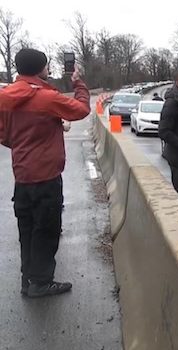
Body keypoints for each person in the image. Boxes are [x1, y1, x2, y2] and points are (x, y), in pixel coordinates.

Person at [0, 48, 91, 298]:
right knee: (47, 229)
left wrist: (26, 141)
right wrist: (78, 83)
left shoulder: (5, 96)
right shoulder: (46, 97)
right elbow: (81, 109)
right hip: (46, 176)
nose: (49, 70)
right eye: (47, 66)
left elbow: (5, 136)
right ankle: (40, 283)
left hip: (22, 176)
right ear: (41, 69)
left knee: (27, 230)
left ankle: (27, 280)